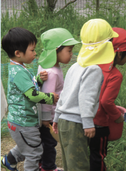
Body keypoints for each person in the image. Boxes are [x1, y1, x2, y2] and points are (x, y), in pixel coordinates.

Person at [52, 19, 119, 171]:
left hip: (64, 121)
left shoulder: (75, 66)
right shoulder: (94, 69)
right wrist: (88, 122)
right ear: (107, 44)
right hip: (76, 124)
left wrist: (56, 117)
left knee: (70, 164)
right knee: (79, 165)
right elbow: (86, 97)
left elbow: (64, 94)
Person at [1, 27, 59, 171]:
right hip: (24, 123)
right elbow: (32, 95)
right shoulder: (19, 72)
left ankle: (9, 161)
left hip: (21, 121)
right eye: (32, 50)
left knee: (26, 146)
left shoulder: (19, 67)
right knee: (34, 152)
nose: (35, 53)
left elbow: (27, 88)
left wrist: (38, 80)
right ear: (18, 53)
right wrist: (50, 97)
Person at [89, 27, 126, 171]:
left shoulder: (91, 65)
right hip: (99, 125)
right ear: (119, 54)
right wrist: (117, 116)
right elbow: (106, 101)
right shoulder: (115, 75)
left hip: (83, 120)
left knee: (86, 154)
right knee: (98, 156)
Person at [37, 28, 80, 171]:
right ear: (57, 50)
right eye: (69, 50)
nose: (71, 54)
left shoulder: (46, 66)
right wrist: (46, 118)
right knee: (49, 144)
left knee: (45, 143)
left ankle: (43, 165)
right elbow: (46, 97)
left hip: (49, 116)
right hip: (49, 117)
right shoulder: (52, 72)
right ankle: (48, 167)